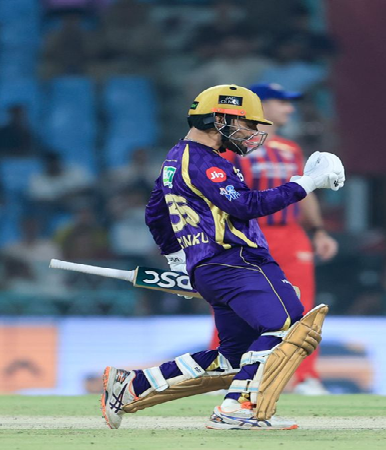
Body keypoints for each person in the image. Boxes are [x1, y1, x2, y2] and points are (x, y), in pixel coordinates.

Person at [100, 84, 345, 430]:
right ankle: (238, 408)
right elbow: (245, 205)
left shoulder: (176, 157)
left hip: (211, 267)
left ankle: (132, 385)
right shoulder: (206, 162)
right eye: (247, 123)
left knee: (232, 355)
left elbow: (156, 212)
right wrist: (306, 183)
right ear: (219, 120)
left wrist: (177, 258)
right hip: (237, 260)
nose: (253, 132)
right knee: (287, 324)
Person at [215, 82, 339, 395]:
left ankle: (304, 377)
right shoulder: (231, 147)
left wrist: (318, 230)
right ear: (260, 106)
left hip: (291, 235)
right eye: (282, 102)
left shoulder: (290, 149)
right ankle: (222, 372)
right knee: (234, 303)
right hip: (247, 233)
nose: (289, 109)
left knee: (304, 308)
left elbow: (305, 190)